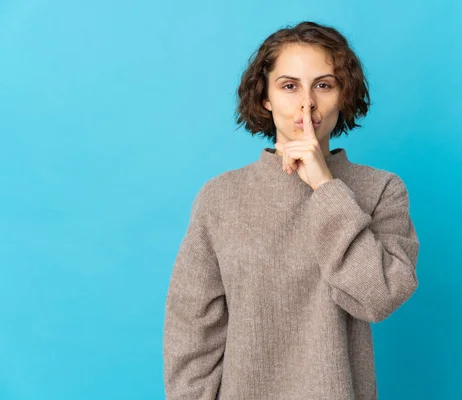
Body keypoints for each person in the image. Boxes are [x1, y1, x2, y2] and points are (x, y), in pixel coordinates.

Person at [163, 20, 420, 400]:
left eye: (323, 85)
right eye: (289, 86)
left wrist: (325, 186)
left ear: (343, 95)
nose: (307, 104)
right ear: (265, 97)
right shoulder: (220, 198)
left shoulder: (381, 190)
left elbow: (378, 297)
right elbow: (191, 335)